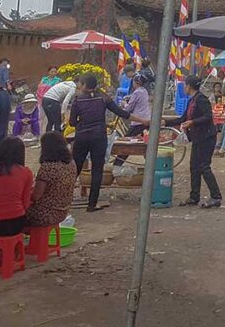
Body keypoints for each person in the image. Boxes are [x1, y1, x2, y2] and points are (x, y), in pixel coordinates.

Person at [70, 74, 144, 212]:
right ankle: (92, 205)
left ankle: (65, 201)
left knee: (76, 169)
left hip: (82, 137)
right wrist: (144, 121)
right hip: (99, 137)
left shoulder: (77, 100)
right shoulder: (103, 98)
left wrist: (82, 123)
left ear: (84, 85)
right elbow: (121, 112)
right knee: (97, 170)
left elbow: (72, 122)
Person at [164, 75, 222, 208]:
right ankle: (194, 196)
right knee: (194, 167)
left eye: (185, 85)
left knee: (204, 167)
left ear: (189, 86)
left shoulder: (202, 100)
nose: (184, 87)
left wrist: (193, 122)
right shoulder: (192, 101)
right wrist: (165, 122)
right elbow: (182, 118)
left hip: (206, 137)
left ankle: (216, 197)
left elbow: (208, 117)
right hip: (197, 138)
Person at [26, 132, 77, 227]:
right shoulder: (71, 163)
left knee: (15, 212)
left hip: (45, 214)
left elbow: (36, 196)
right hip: (63, 211)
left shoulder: (47, 167)